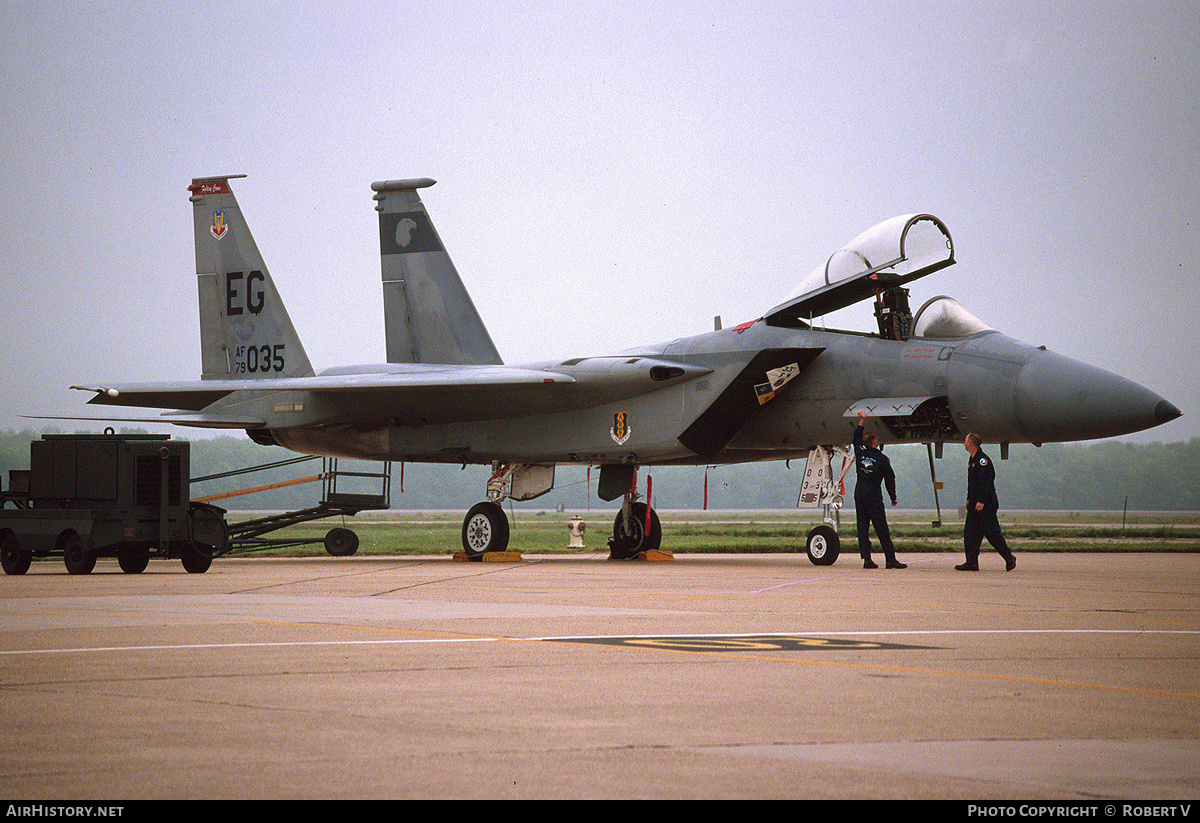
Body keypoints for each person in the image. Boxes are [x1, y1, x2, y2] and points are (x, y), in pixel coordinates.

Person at [852, 410, 905, 569]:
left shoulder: (860, 453)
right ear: (874, 443)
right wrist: (893, 496)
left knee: (862, 526)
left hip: (859, 493)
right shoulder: (882, 459)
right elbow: (890, 479)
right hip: (873, 494)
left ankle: (867, 559)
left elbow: (855, 438)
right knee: (881, 526)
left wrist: (861, 422)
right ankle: (890, 559)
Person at [957, 432, 1017, 571]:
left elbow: (986, 482)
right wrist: (969, 499)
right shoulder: (972, 459)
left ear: (970, 443)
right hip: (974, 503)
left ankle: (1009, 557)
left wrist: (981, 501)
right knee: (970, 533)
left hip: (985, 504)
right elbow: (972, 483)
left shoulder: (982, 460)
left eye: (965, 440)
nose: (964, 442)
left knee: (992, 533)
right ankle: (971, 562)